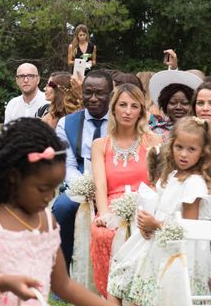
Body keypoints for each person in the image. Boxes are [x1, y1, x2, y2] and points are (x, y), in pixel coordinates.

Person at [0, 118, 109, 306]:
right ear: (14, 177)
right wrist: (3, 283)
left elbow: (64, 285)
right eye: (42, 189)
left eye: (54, 188)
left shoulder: (47, 223)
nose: (49, 196)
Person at [107, 116, 211, 304]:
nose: (184, 154)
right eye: (179, 147)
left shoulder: (193, 183)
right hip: (157, 242)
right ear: (171, 146)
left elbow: (187, 230)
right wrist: (148, 221)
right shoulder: (173, 175)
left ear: (202, 153)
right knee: (119, 278)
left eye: (191, 149)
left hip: (176, 252)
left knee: (130, 284)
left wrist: (155, 224)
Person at [89, 83, 161, 296]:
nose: (128, 111)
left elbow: (158, 183)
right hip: (112, 206)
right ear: (113, 109)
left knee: (146, 232)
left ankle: (141, 294)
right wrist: (103, 215)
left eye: (134, 106)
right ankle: (110, 295)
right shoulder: (101, 145)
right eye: (122, 105)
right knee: (103, 233)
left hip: (146, 205)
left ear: (141, 110)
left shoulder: (153, 141)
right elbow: (100, 185)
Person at [52, 69, 113, 271]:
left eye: (100, 93)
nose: (93, 98)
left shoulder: (121, 120)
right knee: (63, 207)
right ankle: (62, 272)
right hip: (79, 181)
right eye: (88, 92)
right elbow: (67, 164)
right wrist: (86, 188)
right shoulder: (66, 123)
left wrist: (103, 190)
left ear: (111, 95)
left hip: (114, 182)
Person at [147, 69, 201, 134]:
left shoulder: (202, 132)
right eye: (172, 103)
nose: (178, 107)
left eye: (185, 103)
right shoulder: (152, 132)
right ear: (165, 105)